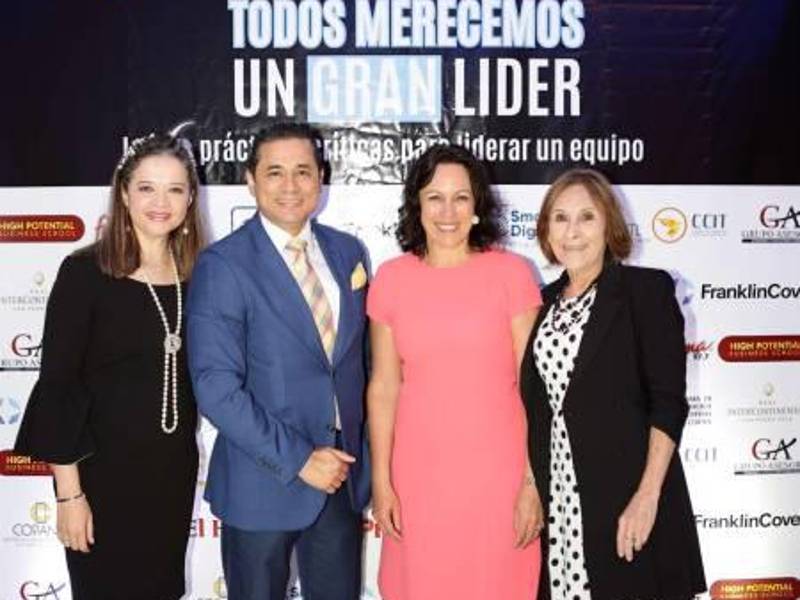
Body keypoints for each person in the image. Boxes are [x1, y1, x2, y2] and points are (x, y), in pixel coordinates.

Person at [14, 133, 205, 599]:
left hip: (171, 475)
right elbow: (58, 386)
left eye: (175, 189)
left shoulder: (201, 276)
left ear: (190, 199)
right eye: (146, 188)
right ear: (123, 193)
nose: (160, 203)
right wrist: (69, 495)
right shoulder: (85, 273)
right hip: (99, 479)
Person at [186, 123, 370, 600]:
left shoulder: (347, 252)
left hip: (340, 478)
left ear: (321, 178)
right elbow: (215, 389)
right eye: (274, 172)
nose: (290, 185)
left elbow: (358, 364)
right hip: (260, 482)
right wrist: (300, 459)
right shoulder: (223, 264)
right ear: (251, 181)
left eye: (303, 171)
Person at [520, 168, 706, 600]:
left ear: (610, 224)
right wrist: (532, 488)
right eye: (560, 218)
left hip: (629, 500)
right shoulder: (540, 305)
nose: (572, 232)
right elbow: (537, 408)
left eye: (587, 217)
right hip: (562, 504)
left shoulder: (645, 291)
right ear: (546, 229)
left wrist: (647, 497)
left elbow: (668, 403)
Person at [367, 144, 543, 600]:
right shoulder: (392, 278)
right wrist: (382, 482)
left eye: (461, 197)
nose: (448, 212)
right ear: (417, 205)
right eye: (435, 198)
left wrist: (533, 481)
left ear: (478, 205)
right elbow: (384, 387)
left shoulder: (512, 274)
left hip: (499, 477)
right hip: (418, 477)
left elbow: (537, 388)